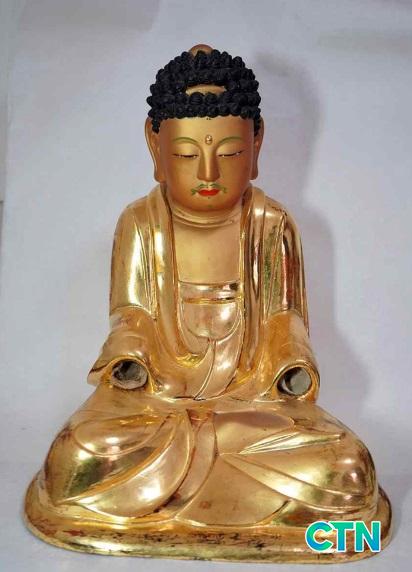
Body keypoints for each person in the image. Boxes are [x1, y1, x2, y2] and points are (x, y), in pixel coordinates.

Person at [25, 45, 391, 562]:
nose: (209, 172)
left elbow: (284, 319)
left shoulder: (271, 225)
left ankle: (193, 492)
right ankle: (233, 493)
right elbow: (132, 315)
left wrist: (290, 366)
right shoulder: (141, 224)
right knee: (81, 452)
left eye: (231, 152)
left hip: (252, 404)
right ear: (154, 145)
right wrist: (130, 362)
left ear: (257, 143)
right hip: (157, 403)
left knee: (344, 467)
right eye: (185, 154)